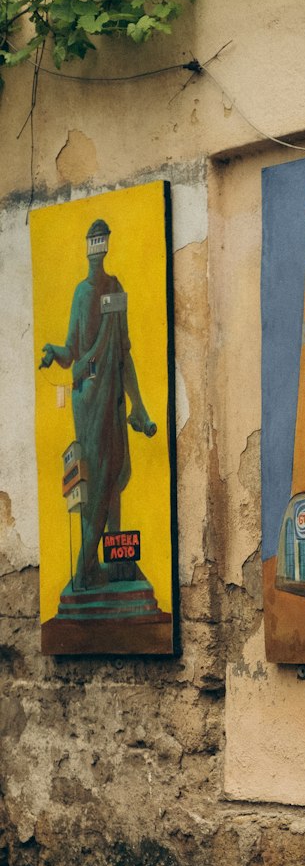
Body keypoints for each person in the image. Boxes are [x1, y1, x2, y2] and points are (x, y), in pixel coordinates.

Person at [39, 218, 157, 590]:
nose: (97, 246)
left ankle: (118, 562)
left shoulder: (115, 288)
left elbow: (122, 352)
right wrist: (52, 352)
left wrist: (138, 405)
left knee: (113, 473)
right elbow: (72, 348)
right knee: (98, 480)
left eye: (100, 239)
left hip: (109, 398)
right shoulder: (80, 293)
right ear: (89, 247)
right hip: (89, 399)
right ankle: (84, 567)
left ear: (104, 245)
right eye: (93, 239)